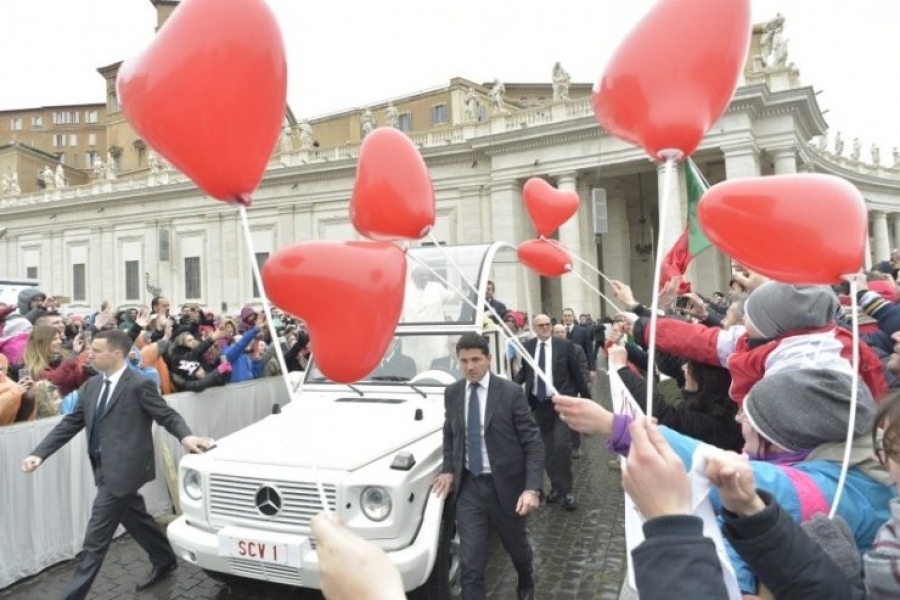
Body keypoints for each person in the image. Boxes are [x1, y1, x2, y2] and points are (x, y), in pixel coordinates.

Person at [21, 330, 214, 599]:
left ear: (117, 354)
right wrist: (39, 453)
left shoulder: (138, 383)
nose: (90, 354)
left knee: (95, 539)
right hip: (102, 465)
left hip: (125, 470)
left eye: (97, 350)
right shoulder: (92, 385)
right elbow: (71, 423)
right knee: (134, 516)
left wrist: (186, 436)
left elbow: (166, 414)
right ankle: (164, 559)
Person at [431, 333, 543, 600]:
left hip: (506, 489)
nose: (470, 366)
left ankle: (526, 581)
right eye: (464, 361)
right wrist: (448, 468)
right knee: (471, 562)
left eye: (476, 360)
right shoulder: (453, 393)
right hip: (469, 488)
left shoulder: (511, 393)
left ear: (489, 359)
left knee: (518, 550)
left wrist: (532, 489)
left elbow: (533, 443)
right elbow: (450, 433)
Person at [514, 314, 590, 510]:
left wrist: (587, 400)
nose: (546, 328)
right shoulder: (529, 347)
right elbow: (525, 372)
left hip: (560, 403)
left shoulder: (564, 346)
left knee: (561, 447)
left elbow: (576, 374)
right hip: (538, 405)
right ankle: (556, 487)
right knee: (546, 450)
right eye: (541, 325)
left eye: (548, 324)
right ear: (534, 327)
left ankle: (567, 491)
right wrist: (510, 386)